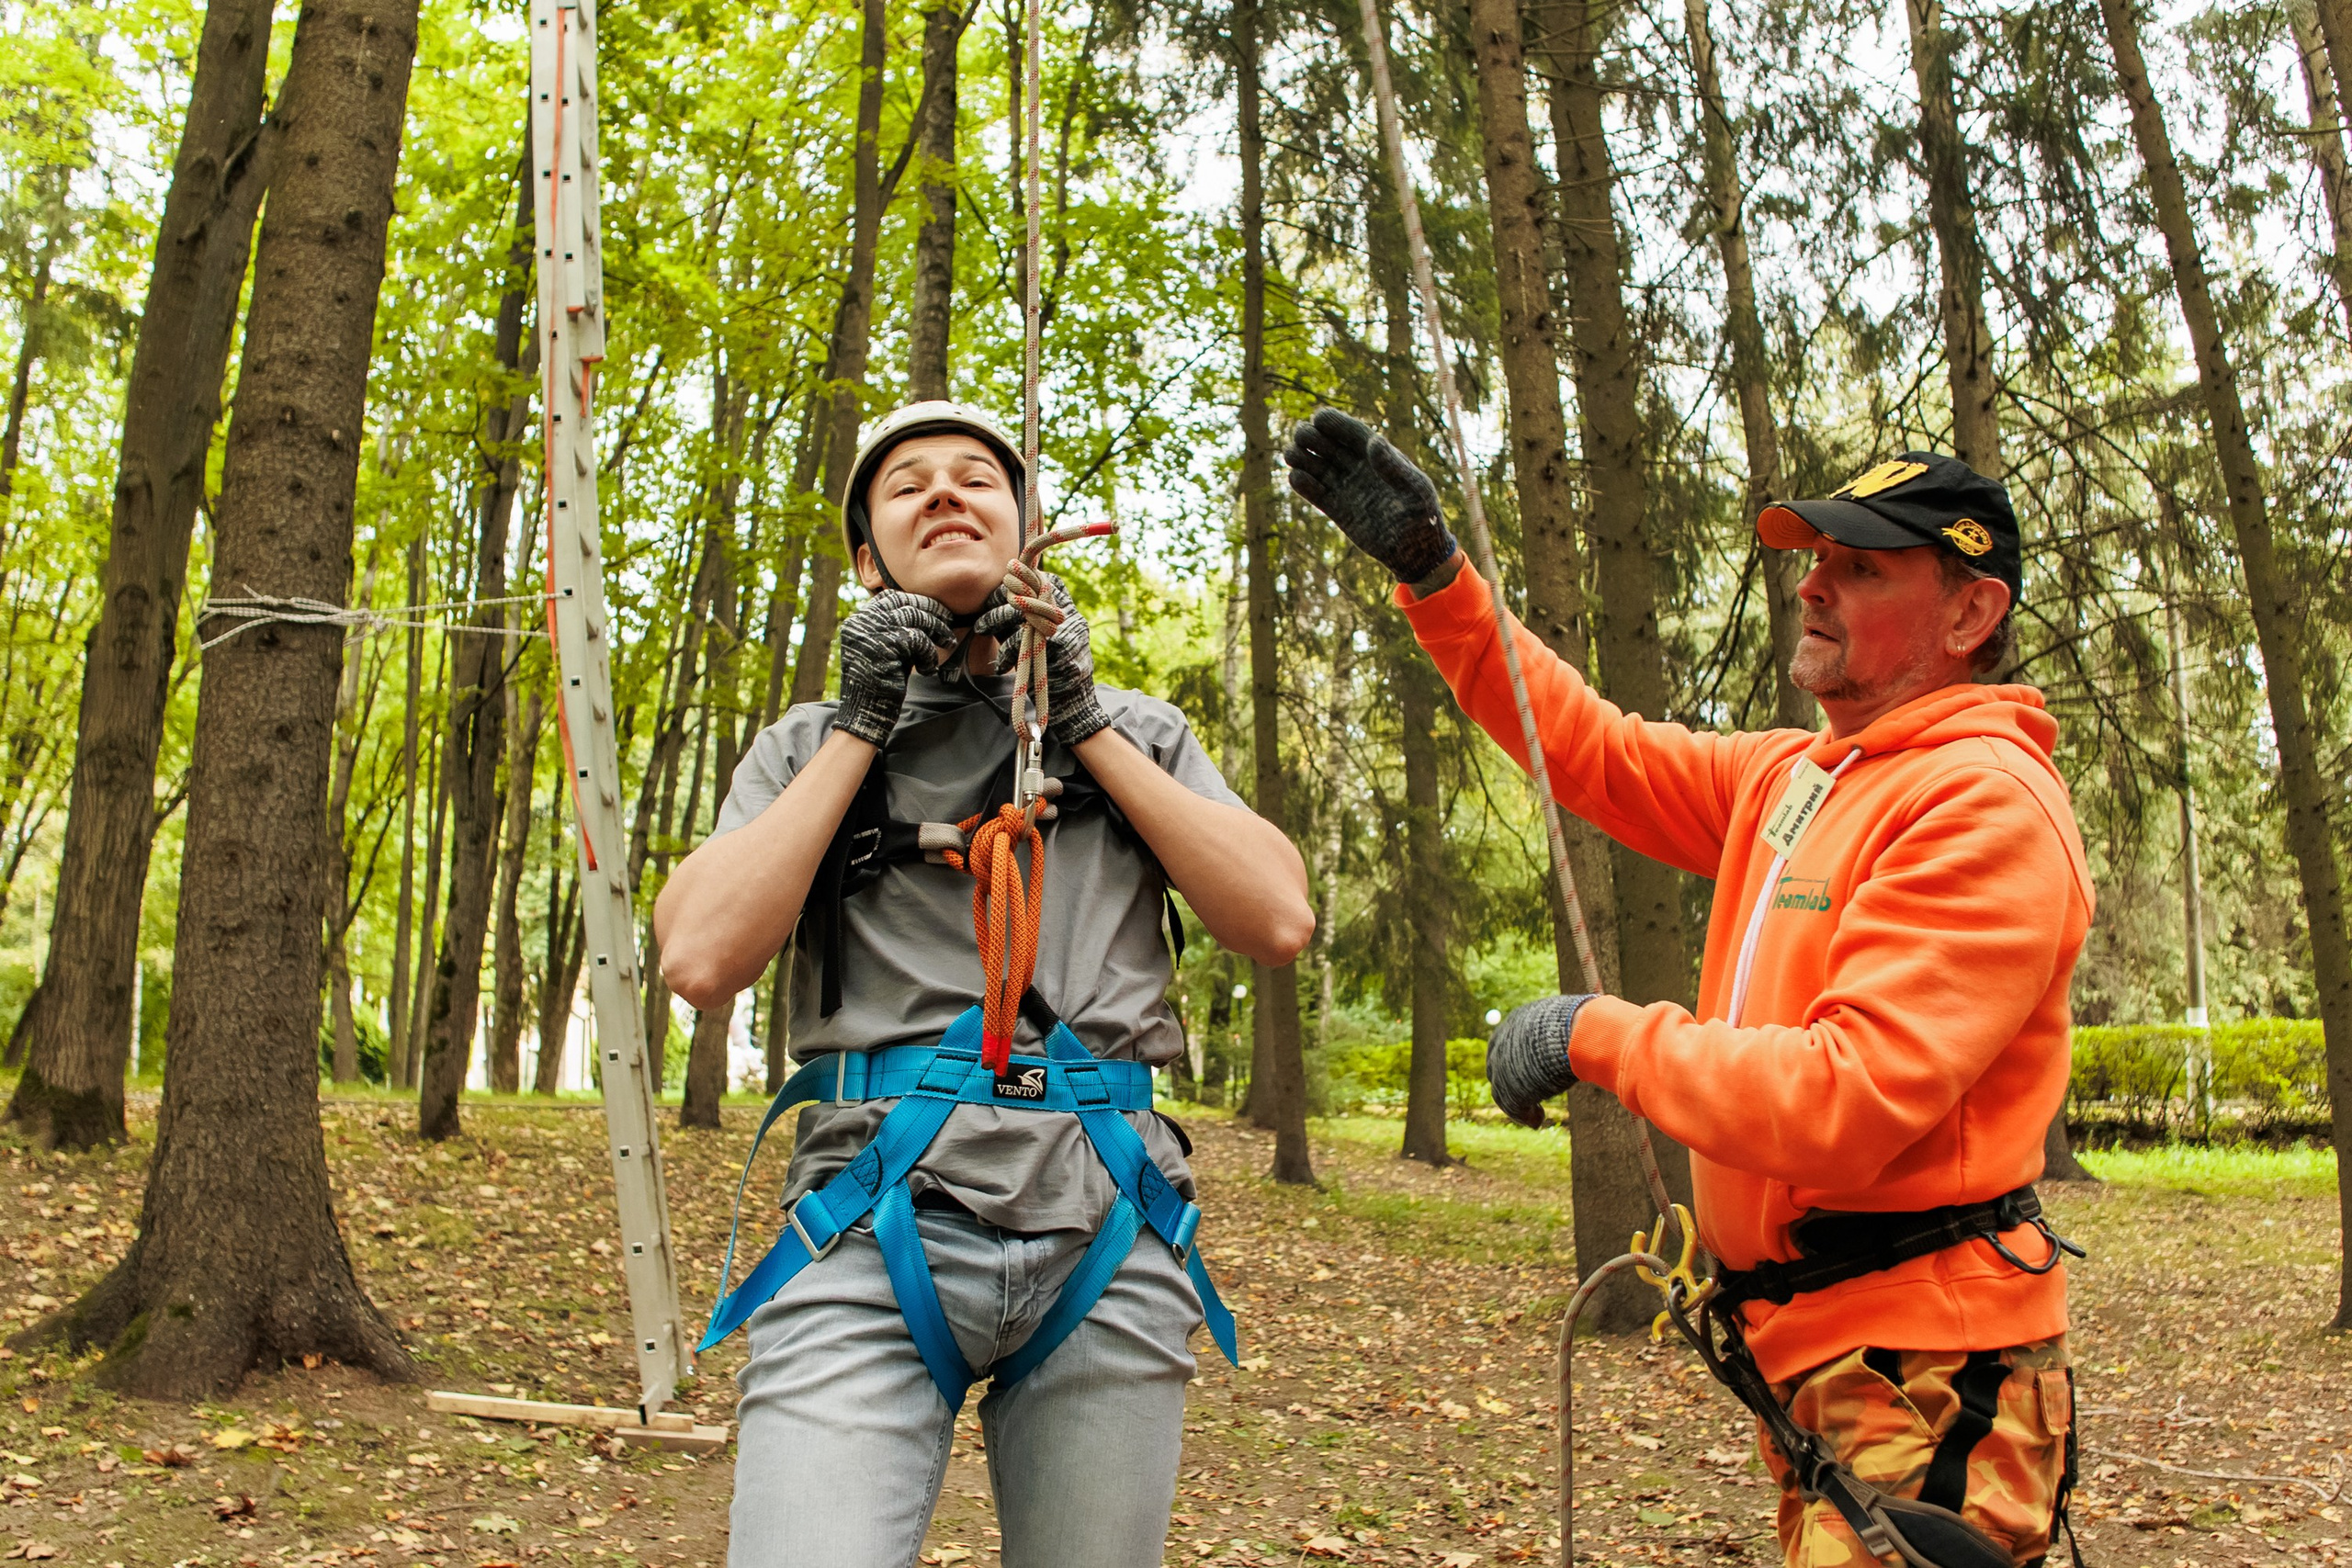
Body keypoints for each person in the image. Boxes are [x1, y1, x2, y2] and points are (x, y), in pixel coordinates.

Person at [1285, 409, 2089, 1568]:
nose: (1812, 588)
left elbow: (1844, 1098)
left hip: (1931, 1369)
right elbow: (1590, 748)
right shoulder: (1797, 778)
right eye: (1815, 562)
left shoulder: (1984, 803)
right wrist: (1437, 577)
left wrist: (1598, 1034)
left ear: (1971, 612)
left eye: (1858, 570)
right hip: (1827, 1359)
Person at [659, 400, 1312, 1568]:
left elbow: (1274, 918)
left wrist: (1084, 719)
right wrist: (863, 721)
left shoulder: (1139, 733)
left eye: (976, 478)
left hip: (1105, 1225)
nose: (946, 494)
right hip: (869, 1223)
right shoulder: (806, 747)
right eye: (908, 486)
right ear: (868, 559)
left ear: (1029, 534)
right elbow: (700, 961)